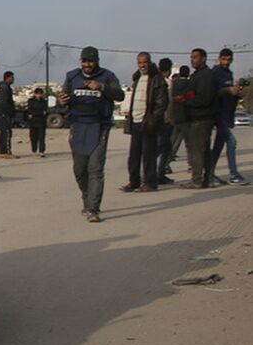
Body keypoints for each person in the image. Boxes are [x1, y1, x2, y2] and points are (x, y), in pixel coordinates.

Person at [58, 47, 124, 223]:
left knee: (95, 169)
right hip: (78, 126)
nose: (87, 65)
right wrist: (62, 100)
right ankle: (87, 199)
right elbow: (64, 96)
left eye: (91, 61)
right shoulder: (72, 76)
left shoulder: (108, 76)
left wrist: (101, 87)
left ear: (97, 61)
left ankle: (93, 208)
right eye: (84, 61)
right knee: (80, 170)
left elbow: (120, 95)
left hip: (99, 127)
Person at [121, 52, 168, 192]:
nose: (142, 65)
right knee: (134, 155)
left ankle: (150, 183)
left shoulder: (157, 79)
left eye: (144, 62)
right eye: (140, 63)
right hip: (135, 121)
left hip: (148, 122)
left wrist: (153, 120)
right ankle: (134, 182)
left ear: (150, 62)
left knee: (148, 154)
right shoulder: (137, 78)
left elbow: (162, 103)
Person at [177, 48, 217, 189]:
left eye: (195, 57)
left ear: (204, 58)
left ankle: (197, 180)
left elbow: (203, 98)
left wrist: (186, 101)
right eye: (191, 57)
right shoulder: (198, 75)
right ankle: (208, 179)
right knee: (203, 150)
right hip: (200, 118)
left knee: (197, 150)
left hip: (201, 118)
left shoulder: (205, 75)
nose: (192, 60)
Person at [208, 48, 247, 185]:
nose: (226, 62)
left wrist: (236, 93)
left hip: (228, 114)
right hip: (219, 114)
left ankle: (209, 173)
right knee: (232, 142)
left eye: (229, 59)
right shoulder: (215, 73)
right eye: (224, 59)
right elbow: (212, 93)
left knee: (218, 146)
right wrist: (227, 90)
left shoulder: (228, 73)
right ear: (219, 58)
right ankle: (234, 175)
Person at [168, 64, 191, 179]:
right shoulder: (189, 84)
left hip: (175, 115)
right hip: (186, 116)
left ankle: (166, 162)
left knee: (172, 140)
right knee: (189, 143)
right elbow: (191, 97)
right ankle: (191, 164)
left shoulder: (174, 85)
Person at [155, 57, 176, 184]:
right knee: (163, 148)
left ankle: (159, 173)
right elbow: (170, 104)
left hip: (157, 119)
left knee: (163, 147)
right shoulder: (168, 83)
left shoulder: (154, 81)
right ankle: (159, 173)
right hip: (165, 120)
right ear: (168, 70)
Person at [0, 71, 17, 158]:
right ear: (8, 78)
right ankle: (7, 152)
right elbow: (4, 103)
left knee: (4, 133)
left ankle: (3, 152)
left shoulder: (4, 87)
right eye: (12, 77)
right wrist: (10, 112)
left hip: (3, 114)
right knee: (7, 133)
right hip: (5, 114)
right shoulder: (4, 88)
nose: (13, 79)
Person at [25, 88, 48, 157]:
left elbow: (45, 112)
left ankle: (41, 151)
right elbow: (30, 111)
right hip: (33, 122)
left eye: (41, 93)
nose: (39, 95)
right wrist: (39, 113)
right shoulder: (31, 101)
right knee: (33, 137)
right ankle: (34, 150)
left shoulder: (44, 101)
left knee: (41, 137)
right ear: (35, 94)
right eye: (38, 93)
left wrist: (35, 113)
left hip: (41, 121)